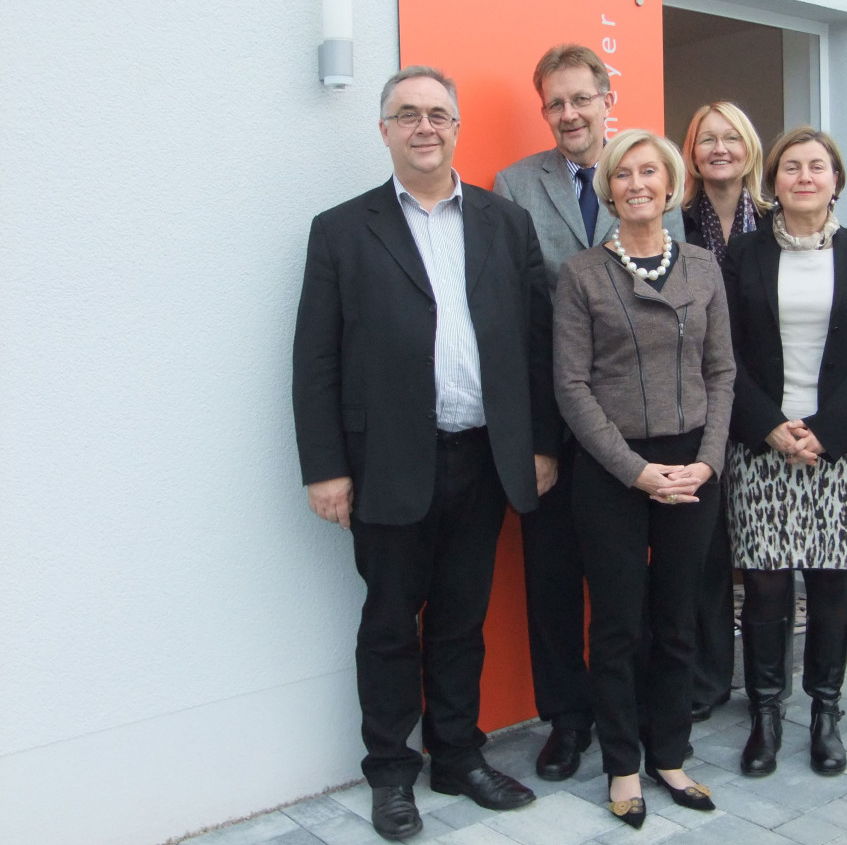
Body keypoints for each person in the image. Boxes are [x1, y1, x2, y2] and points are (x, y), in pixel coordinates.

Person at [292, 66, 558, 841]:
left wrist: (540, 444)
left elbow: (535, 345)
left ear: (456, 127)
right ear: (384, 130)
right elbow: (316, 359)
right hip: (388, 465)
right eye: (406, 114)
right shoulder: (342, 229)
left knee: (461, 619)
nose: (424, 127)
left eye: (438, 113)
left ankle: (456, 755)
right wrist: (326, 467)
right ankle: (390, 774)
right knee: (388, 624)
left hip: (483, 457)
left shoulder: (504, 225)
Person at [493, 45, 684, 781]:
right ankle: (567, 722)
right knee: (550, 579)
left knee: (626, 584)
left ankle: (627, 718)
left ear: (609, 96)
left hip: (640, 429)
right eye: (555, 103)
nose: (569, 114)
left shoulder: (642, 172)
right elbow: (513, 314)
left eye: (581, 98)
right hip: (552, 422)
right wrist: (537, 435)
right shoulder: (515, 185)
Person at [553, 129, 735, 828]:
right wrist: (635, 472)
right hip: (613, 468)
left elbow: (722, 372)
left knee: (679, 618)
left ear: (671, 185)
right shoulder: (582, 275)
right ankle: (622, 765)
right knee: (621, 624)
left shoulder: (701, 268)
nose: (636, 184)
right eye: (622, 173)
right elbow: (571, 386)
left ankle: (671, 754)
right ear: (609, 189)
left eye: (649, 172)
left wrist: (707, 461)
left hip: (692, 463)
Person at [722, 126, 847, 777]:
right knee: (764, 586)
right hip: (764, 442)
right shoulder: (743, 254)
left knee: (829, 581)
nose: (803, 177)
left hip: (841, 449)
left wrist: (826, 429)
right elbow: (727, 353)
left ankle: (827, 711)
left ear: (836, 179)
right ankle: (767, 713)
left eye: (816, 166)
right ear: (774, 182)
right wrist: (771, 424)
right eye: (790, 167)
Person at [678, 101, 767, 723]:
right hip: (700, 402)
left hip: (766, 400)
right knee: (706, 552)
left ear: (749, 147)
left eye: (730, 136)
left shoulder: (780, 218)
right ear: (691, 152)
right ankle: (708, 681)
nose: (719, 147)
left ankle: (766, 683)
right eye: (706, 138)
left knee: (763, 551)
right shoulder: (675, 221)